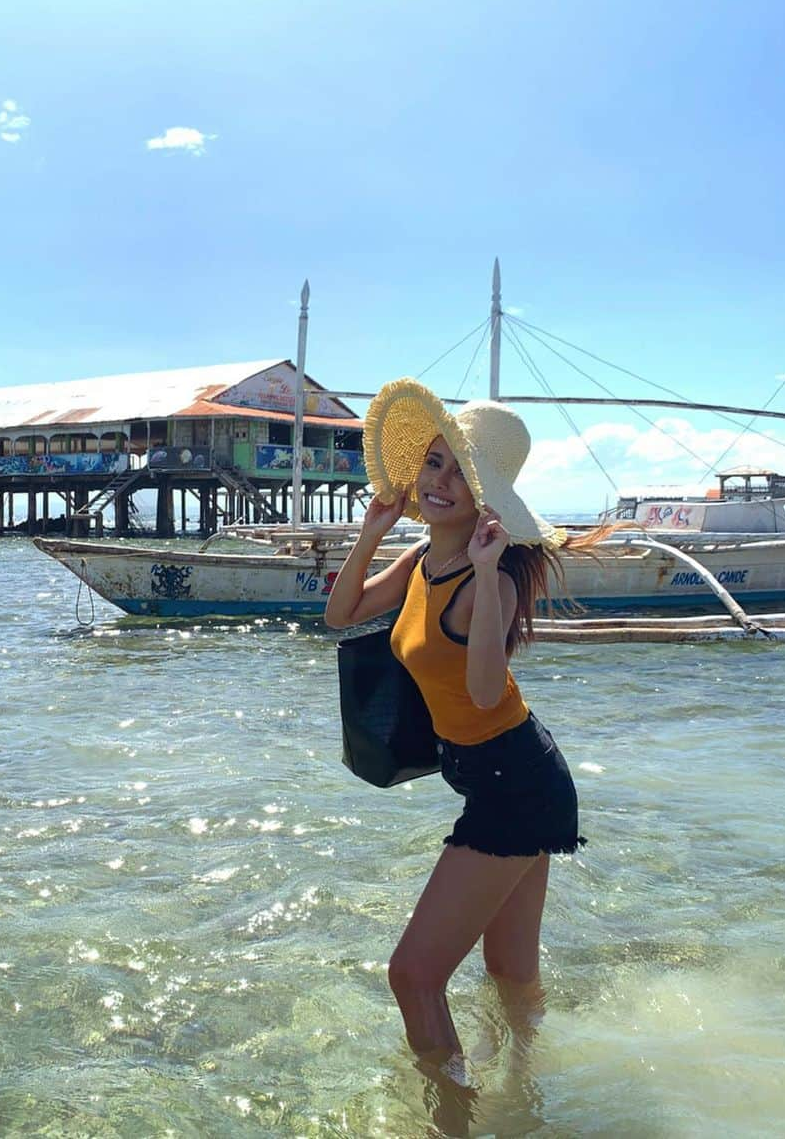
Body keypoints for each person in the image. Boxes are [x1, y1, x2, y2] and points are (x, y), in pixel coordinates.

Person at [326, 378, 605, 1073]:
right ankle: (526, 1095)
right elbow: (341, 614)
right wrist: (370, 533)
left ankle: (450, 1115)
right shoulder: (423, 558)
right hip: (507, 777)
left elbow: (483, 693)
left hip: (518, 785)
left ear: (487, 499)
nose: (440, 482)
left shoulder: (492, 578)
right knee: (509, 972)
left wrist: (485, 578)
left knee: (412, 976)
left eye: (460, 472)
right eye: (434, 463)